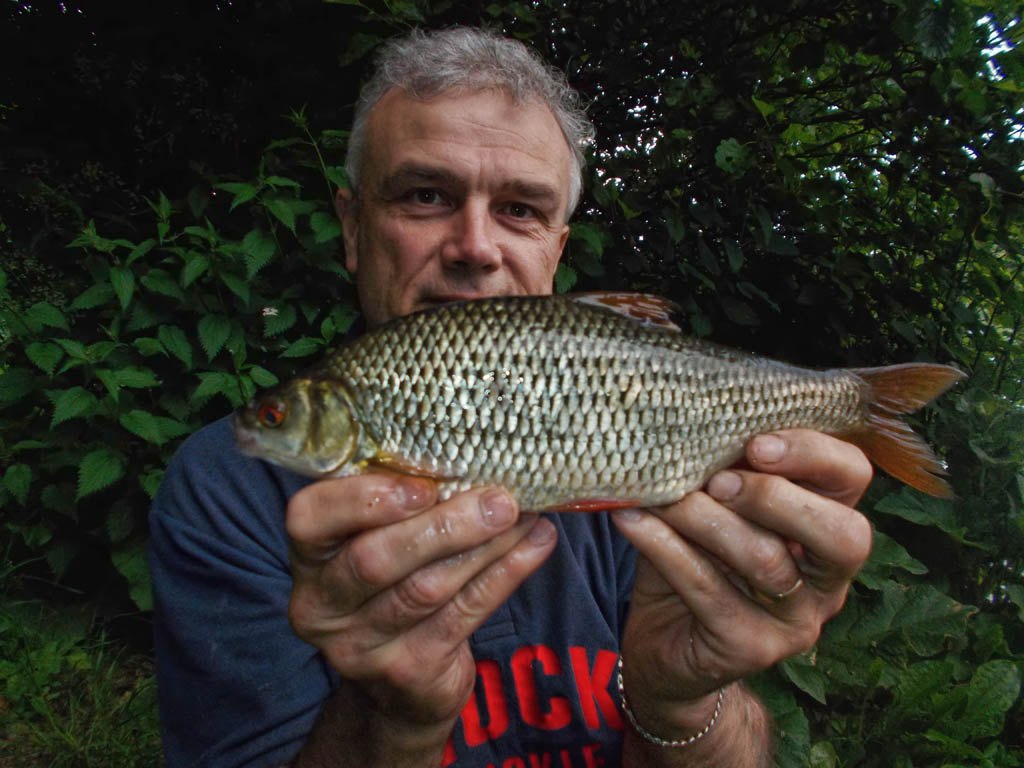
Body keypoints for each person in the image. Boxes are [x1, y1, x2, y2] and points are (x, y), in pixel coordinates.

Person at [150, 26, 873, 768]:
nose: (475, 246)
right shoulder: (224, 492)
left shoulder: (646, 463)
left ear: (558, 252)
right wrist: (394, 726)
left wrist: (680, 700)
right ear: (352, 229)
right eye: (425, 195)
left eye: (521, 209)